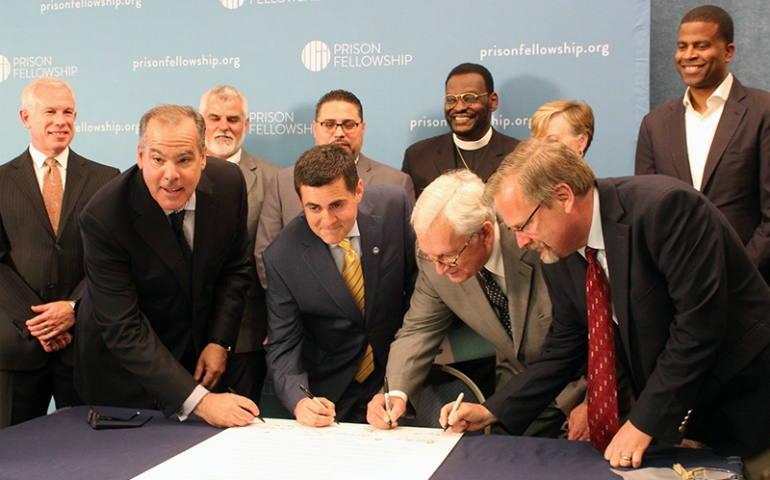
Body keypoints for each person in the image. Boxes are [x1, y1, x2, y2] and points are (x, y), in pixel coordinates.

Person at [443, 137, 770, 479]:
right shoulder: (559, 251)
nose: (521, 241)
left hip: (747, 408)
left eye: (523, 226)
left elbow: (698, 328)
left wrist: (644, 420)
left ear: (564, 197)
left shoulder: (667, 209)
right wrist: (491, 410)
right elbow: (565, 347)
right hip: (683, 420)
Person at [74, 105, 259, 428]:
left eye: (184, 160)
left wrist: (219, 341)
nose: (170, 174)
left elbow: (235, 267)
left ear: (203, 156)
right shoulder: (105, 216)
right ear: (141, 155)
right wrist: (200, 401)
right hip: (125, 376)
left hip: (198, 358)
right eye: (158, 159)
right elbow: (124, 328)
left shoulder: (229, 184)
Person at [366, 170, 584, 438]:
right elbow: (418, 329)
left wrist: (596, 399)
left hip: (585, 389)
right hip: (516, 400)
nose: (439, 269)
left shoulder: (536, 236)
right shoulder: (435, 256)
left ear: (485, 233)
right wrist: (395, 393)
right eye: (429, 255)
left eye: (447, 257)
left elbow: (602, 322)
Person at [263, 144, 417, 426]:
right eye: (314, 208)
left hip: (394, 377)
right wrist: (300, 402)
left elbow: (418, 291)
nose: (328, 220)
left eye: (337, 205)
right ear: (300, 201)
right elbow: (283, 345)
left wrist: (398, 380)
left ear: (358, 190)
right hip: (329, 392)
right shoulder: (281, 256)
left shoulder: (395, 206)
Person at [0, 78, 119, 428]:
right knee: (13, 457)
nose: (60, 121)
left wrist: (72, 308)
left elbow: (112, 260)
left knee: (88, 455)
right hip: (18, 344)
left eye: (67, 112)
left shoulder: (106, 179)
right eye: (49, 111)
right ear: (25, 117)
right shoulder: (0, 181)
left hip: (83, 344)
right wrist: (42, 322)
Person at [635, 5, 770, 284]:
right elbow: (646, 212)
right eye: (682, 46)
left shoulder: (763, 111)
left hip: (751, 286)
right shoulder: (655, 124)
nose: (689, 55)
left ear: (728, 51)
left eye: (701, 45)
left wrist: (741, 273)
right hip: (677, 286)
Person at [254, 89, 414, 287]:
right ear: (314, 128)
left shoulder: (396, 183)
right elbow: (267, 257)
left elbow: (410, 262)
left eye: (349, 124)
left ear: (362, 128)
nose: (339, 133)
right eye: (329, 125)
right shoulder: (282, 182)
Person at [199, 85, 280, 404]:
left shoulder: (274, 178)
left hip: (247, 331)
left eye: (233, 119)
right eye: (214, 117)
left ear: (246, 125)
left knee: (241, 423)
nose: (223, 126)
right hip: (183, 330)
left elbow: (278, 258)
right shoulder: (174, 175)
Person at [402, 63, 520, 198]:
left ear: (493, 101)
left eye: (469, 98)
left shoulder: (519, 156)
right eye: (451, 99)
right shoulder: (418, 156)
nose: (459, 107)